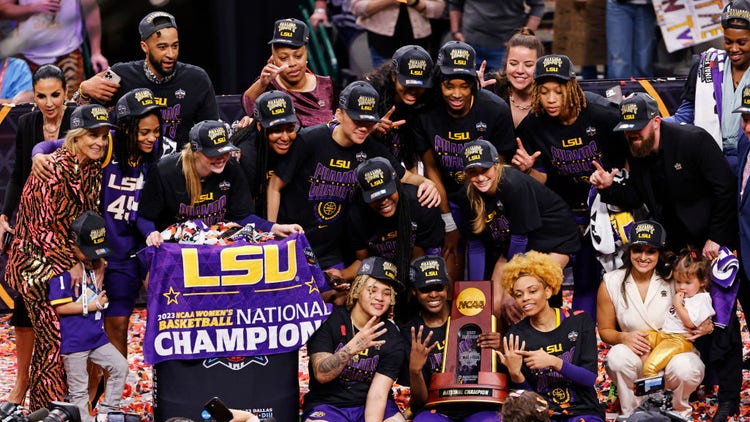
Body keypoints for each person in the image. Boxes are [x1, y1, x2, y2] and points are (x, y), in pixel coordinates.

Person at [591, 92, 741, 421]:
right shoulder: (639, 151)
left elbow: (725, 189)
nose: (633, 136)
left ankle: (729, 397)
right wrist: (608, 187)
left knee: (721, 320)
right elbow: (636, 196)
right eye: (628, 131)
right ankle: (683, 388)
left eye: (638, 130)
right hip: (675, 248)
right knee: (682, 319)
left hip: (711, 245)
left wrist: (716, 237)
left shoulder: (693, 141)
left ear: (656, 121)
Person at [30, 87, 164, 357]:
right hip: (100, 250)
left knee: (119, 325)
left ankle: (112, 390)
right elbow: (56, 144)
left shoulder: (155, 152)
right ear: (127, 128)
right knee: (94, 328)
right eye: (145, 132)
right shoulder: (105, 142)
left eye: (156, 131)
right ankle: (92, 393)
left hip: (131, 251)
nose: (152, 138)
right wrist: (37, 154)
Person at [267, 80, 439, 283]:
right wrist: (272, 232)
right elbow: (275, 186)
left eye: (369, 121)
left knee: (334, 297)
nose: (363, 128)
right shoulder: (310, 139)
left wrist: (428, 183)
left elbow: (403, 177)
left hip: (334, 249)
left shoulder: (372, 147)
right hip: (295, 240)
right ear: (339, 114)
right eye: (357, 120)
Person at [4, 104, 113, 410]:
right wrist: (75, 261)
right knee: (54, 342)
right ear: (76, 137)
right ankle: (46, 411)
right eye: (93, 135)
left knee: (73, 337)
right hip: (35, 264)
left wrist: (96, 257)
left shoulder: (92, 168)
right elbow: (40, 230)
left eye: (103, 137)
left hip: (67, 259)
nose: (100, 143)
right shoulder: (50, 170)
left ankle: (68, 405)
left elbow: (89, 216)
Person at [514, 54, 629, 318]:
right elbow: (542, 182)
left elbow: (629, 163)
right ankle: (552, 336)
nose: (551, 99)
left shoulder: (602, 115)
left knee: (587, 279)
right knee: (548, 279)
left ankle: (583, 341)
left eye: (558, 91)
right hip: (559, 212)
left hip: (603, 207)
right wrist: (527, 170)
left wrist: (614, 182)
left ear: (573, 87)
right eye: (543, 92)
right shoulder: (533, 125)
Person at [411, 40, 514, 280]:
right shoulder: (425, 111)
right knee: (448, 254)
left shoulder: (495, 109)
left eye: (464, 86)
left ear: (473, 85)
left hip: (486, 195)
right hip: (446, 195)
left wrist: (483, 210)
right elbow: (431, 167)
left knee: (486, 268)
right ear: (439, 83)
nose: (456, 94)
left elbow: (498, 168)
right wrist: (448, 222)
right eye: (449, 85)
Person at [0, 63, 70, 408]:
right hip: (31, 224)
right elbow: (16, 175)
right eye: (41, 95)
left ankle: (68, 385)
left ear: (66, 94)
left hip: (67, 228)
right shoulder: (27, 122)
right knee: (25, 307)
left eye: (55, 94)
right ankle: (22, 382)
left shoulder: (79, 121)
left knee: (64, 305)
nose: (48, 102)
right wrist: (3, 214)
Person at [460, 139, 580, 328]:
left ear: (496, 165)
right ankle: (496, 355)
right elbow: (476, 247)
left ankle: (541, 350)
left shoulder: (513, 183)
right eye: (473, 172)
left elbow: (520, 238)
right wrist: (478, 291)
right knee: (492, 306)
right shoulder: (469, 194)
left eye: (485, 169)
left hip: (555, 240)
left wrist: (511, 288)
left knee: (526, 299)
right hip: (515, 245)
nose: (480, 177)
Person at [596, 220, 707, 418]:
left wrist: (707, 326)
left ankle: (678, 412)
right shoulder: (611, 282)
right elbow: (604, 330)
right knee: (617, 357)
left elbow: (702, 302)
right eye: (637, 250)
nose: (643, 257)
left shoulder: (674, 278)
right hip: (636, 355)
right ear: (629, 250)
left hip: (674, 354)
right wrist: (623, 338)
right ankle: (632, 414)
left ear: (660, 252)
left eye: (650, 251)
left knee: (687, 367)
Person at [137, 119, 302, 248]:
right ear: (196, 150)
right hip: (176, 246)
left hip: (217, 244)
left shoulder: (231, 168)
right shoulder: (165, 171)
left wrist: (275, 228)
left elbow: (243, 217)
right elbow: (145, 217)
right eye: (213, 153)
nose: (221, 158)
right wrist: (151, 233)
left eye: (225, 151)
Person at [76, 11, 218, 150]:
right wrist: (84, 90)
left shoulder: (197, 79)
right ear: (144, 47)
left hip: (180, 166)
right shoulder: (118, 74)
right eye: (162, 47)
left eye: (175, 46)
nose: (171, 54)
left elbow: (211, 130)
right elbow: (81, 119)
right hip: (131, 166)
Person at [497, 251, 604, 421]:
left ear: (547, 291)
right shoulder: (516, 336)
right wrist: (516, 374)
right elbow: (528, 402)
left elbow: (589, 378)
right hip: (543, 415)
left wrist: (554, 362)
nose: (525, 298)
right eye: (518, 294)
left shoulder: (579, 321)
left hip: (583, 411)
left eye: (532, 291)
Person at [336, 157, 444, 319]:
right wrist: (341, 275)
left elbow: (421, 256)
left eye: (388, 193)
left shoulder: (420, 202)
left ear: (396, 183)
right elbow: (364, 262)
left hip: (418, 266)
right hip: (380, 275)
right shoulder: (356, 215)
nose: (384, 201)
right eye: (375, 198)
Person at [302, 256, 406, 421]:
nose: (380, 297)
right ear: (357, 289)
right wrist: (354, 346)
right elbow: (321, 374)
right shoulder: (330, 320)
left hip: (371, 404)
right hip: (329, 404)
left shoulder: (391, 334)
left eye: (387, 293)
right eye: (372, 290)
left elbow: (378, 394)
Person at [49, 211, 128, 422]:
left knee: (120, 366)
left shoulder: (94, 265)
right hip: (75, 343)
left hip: (96, 337)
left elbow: (100, 260)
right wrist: (93, 305)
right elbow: (61, 308)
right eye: (88, 251)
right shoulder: (64, 272)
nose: (92, 256)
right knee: (79, 391)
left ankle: (107, 412)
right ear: (73, 245)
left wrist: (99, 261)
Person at [401, 255, 501, 421]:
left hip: (478, 405)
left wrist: (499, 348)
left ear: (447, 287)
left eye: (438, 287)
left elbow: (496, 374)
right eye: (425, 289)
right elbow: (420, 400)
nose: (433, 294)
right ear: (414, 291)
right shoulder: (410, 333)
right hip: (436, 410)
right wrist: (415, 370)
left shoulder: (473, 316)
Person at [668, 0, 750, 173]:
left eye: (742, 42)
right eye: (728, 41)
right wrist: (653, 120)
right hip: (713, 162)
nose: (734, 49)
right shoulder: (706, 64)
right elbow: (684, 117)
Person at [1, 0, 108, 97]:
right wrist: (32, 8)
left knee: (70, 107)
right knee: (28, 110)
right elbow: (3, 9)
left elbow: (90, 8)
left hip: (67, 54)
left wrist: (96, 52)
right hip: (27, 56)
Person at [241, 18, 334, 128]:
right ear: (273, 59)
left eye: (298, 56)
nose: (292, 63)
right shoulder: (268, 85)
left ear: (306, 54)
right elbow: (248, 108)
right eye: (283, 58)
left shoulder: (326, 85)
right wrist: (262, 83)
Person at [642, 248, 715, 377]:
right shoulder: (686, 295)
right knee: (640, 338)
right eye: (678, 282)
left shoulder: (701, 299)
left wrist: (677, 305)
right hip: (664, 335)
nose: (681, 287)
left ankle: (655, 394)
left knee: (650, 367)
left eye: (688, 283)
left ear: (703, 282)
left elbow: (690, 323)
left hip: (679, 340)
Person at [365, 44, 434, 170]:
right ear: (393, 76)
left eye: (419, 85)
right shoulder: (368, 93)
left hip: (400, 172)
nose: (414, 91)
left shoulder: (428, 97)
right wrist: (370, 128)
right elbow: (337, 127)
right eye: (407, 84)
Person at [231, 90, 298, 219]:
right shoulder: (245, 155)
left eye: (290, 129)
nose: (285, 137)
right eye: (276, 130)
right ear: (259, 126)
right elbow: (243, 212)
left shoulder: (300, 142)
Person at [448, 0, 544, 72]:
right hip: (469, 43)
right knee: (465, 86)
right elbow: (455, 3)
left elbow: (538, 6)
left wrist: (524, 36)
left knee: (500, 90)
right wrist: (455, 31)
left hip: (504, 47)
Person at [350, 0, 445, 68]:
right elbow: (356, 8)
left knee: (415, 86)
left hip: (418, 45)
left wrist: (415, 2)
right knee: (385, 86)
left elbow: (439, 10)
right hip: (382, 44)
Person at [485, 27, 545, 128]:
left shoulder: (548, 95)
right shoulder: (490, 87)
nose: (520, 70)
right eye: (513, 63)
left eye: (528, 65)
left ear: (540, 66)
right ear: (506, 64)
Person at [606, 0, 657, 79]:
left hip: (648, 6)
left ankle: (643, 90)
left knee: (644, 61)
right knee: (619, 62)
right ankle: (621, 90)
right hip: (618, 4)